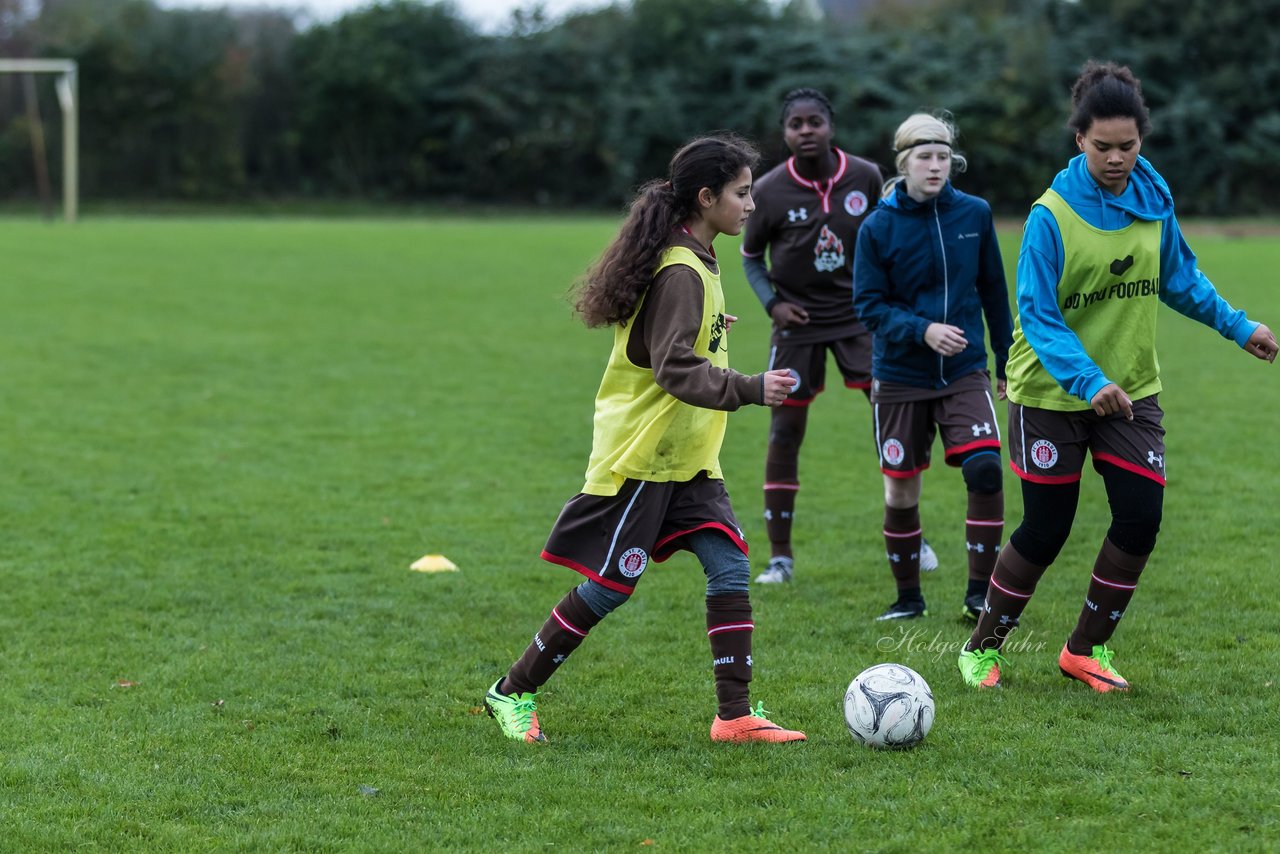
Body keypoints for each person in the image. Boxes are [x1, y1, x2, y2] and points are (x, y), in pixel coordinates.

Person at [956, 61, 1277, 692]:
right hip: (1051, 392)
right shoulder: (1051, 215)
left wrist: (1241, 328)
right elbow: (1039, 318)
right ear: (1079, 140)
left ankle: (1084, 650)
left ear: (1141, 141)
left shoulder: (1154, 202)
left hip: (1131, 389)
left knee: (1140, 517)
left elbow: (1180, 278)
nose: (1116, 158)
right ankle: (982, 648)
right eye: (1102, 146)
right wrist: (1087, 381)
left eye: (1127, 146)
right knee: (1047, 528)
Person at [483, 135, 807, 744]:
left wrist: (710, 326)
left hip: (688, 460)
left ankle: (733, 715)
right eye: (741, 194)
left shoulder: (696, 256)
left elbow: (672, 338)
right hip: (645, 457)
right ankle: (512, 690)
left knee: (730, 566)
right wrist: (750, 386)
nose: (750, 205)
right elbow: (673, 369)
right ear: (706, 198)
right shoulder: (683, 267)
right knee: (608, 589)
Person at [740, 87, 937, 584]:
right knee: (784, 432)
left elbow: (890, 236)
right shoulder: (767, 189)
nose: (806, 131)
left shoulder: (866, 176)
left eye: (815, 122)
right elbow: (750, 257)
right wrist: (772, 303)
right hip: (797, 327)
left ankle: (912, 533)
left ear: (831, 126)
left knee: (890, 418)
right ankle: (780, 558)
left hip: (860, 320)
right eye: (795, 124)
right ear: (785, 133)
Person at [852, 112, 1013, 622]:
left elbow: (994, 290)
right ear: (903, 164)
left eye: (944, 157)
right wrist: (922, 329)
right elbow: (868, 306)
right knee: (900, 487)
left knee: (986, 469)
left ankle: (978, 595)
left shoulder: (975, 214)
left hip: (965, 368)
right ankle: (908, 599)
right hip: (900, 376)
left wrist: (1007, 360)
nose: (936, 166)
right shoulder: (877, 227)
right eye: (925, 157)